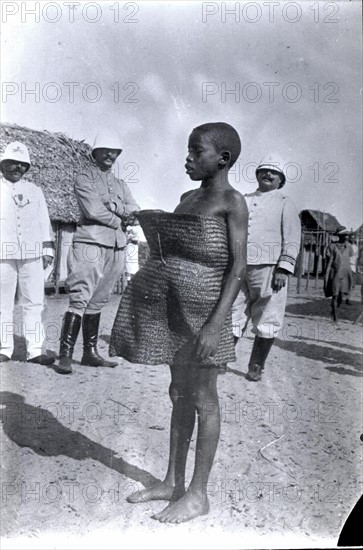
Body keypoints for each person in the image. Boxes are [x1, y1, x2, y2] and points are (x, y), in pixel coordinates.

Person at [109, 122, 248, 523]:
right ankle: (172, 481)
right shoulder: (188, 197)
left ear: (222, 159)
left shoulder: (232, 200)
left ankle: (198, 494)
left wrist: (215, 325)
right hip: (175, 311)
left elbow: (237, 265)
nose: (187, 157)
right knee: (178, 392)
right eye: (188, 150)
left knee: (204, 397)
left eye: (195, 151)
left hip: (207, 314)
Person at [55, 128, 139, 375]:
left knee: (99, 299)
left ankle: (90, 353)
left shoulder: (120, 184)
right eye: (106, 151)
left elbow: (135, 209)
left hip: (116, 246)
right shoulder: (84, 177)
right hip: (90, 244)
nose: (111, 155)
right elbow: (92, 210)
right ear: (95, 152)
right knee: (80, 297)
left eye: (115, 152)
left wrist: (114, 205)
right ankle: (65, 355)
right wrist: (119, 219)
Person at [231, 155, 301, 381]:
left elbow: (292, 237)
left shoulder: (284, 202)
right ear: (257, 174)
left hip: (270, 268)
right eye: (264, 170)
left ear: (281, 179)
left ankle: (256, 365)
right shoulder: (242, 199)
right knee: (233, 311)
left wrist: (284, 267)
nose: (268, 175)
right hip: (239, 266)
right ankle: (222, 358)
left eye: (274, 173)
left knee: (267, 316)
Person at [0, 141, 55, 365]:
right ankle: (4, 348)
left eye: (22, 164)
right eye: (13, 163)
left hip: (32, 253)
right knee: (2, 302)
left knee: (34, 302)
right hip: (2, 254)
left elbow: (44, 221)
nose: (18, 168)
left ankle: (35, 351)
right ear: (3, 164)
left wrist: (48, 250)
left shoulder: (35, 191)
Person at [324, 227, 353, 321]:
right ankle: (335, 317)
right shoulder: (331, 247)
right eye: (344, 236)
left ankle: (334, 309)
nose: (346, 237)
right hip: (335, 274)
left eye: (347, 235)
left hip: (345, 275)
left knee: (341, 297)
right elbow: (328, 261)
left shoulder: (349, 247)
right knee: (335, 295)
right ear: (339, 236)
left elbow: (350, 257)